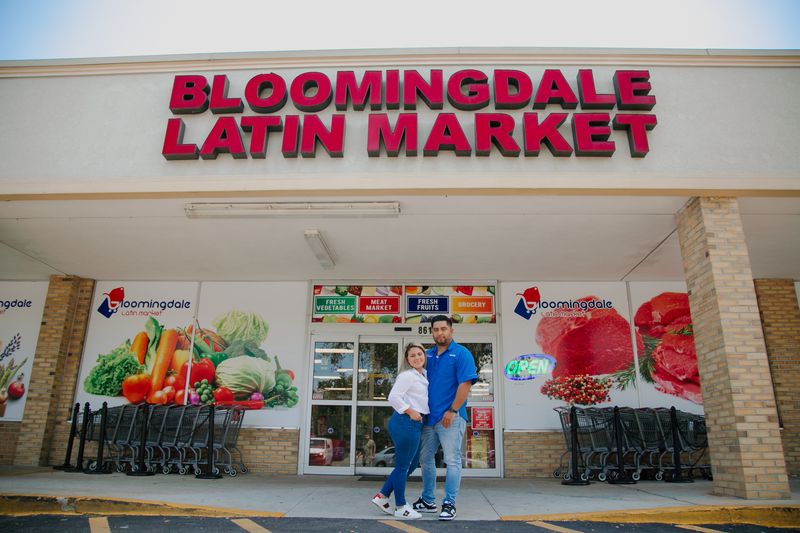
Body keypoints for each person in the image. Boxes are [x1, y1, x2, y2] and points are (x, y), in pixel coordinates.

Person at [412, 315, 477, 521]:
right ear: (431, 332)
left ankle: (449, 503)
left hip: (451, 418)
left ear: (451, 331)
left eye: (443, 329)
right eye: (436, 329)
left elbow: (465, 385)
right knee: (425, 459)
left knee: (452, 460)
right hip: (429, 419)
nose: (439, 333)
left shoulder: (461, 354)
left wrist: (452, 410)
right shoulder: (428, 355)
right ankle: (428, 500)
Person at [371, 343, 429, 520]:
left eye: (419, 354)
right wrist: (411, 411)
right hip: (406, 422)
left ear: (424, 356)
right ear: (407, 360)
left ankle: (382, 496)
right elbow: (393, 397)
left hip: (415, 424)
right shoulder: (407, 376)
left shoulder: (423, 374)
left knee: (410, 465)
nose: (417, 358)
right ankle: (401, 506)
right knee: (403, 466)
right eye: (412, 355)